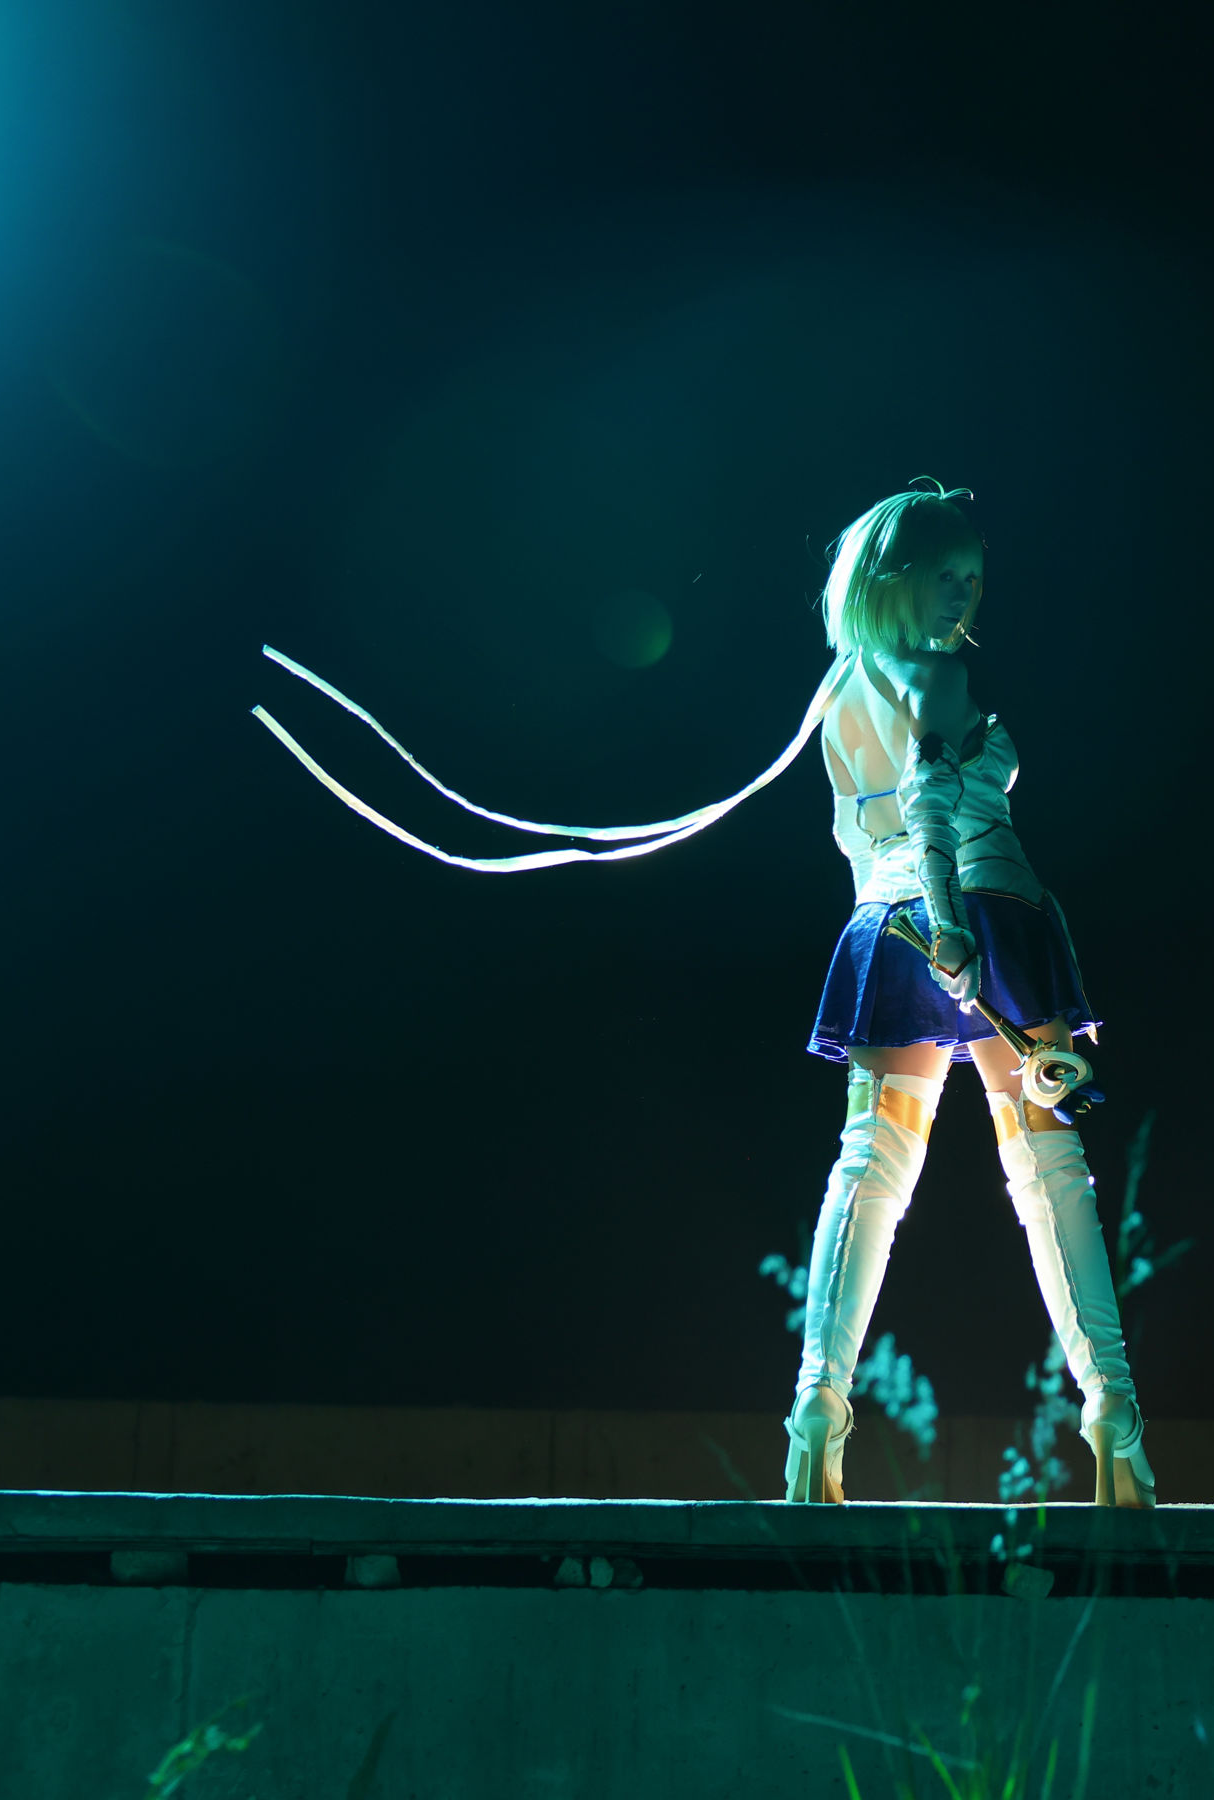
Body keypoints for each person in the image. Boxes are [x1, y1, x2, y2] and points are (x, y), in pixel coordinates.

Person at [248, 480, 1155, 1509]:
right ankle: (1114, 1417)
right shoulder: (939, 676)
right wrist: (951, 925)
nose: (964, 597)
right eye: (947, 576)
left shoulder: (838, 693)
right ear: (894, 578)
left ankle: (815, 1416)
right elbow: (931, 807)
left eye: (973, 580)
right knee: (1048, 1170)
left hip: (885, 928)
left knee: (871, 1169)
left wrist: (918, 921)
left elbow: (862, 835)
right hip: (980, 916)